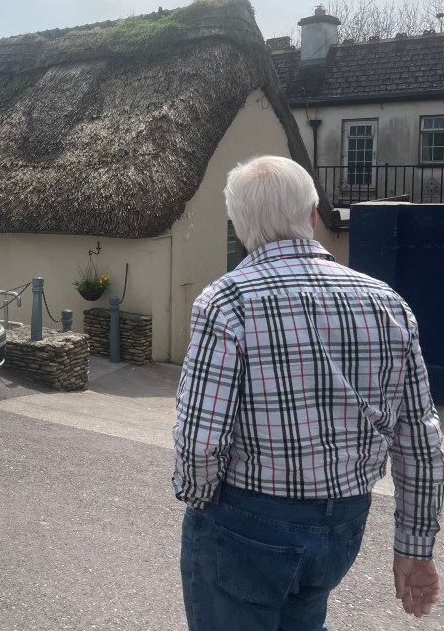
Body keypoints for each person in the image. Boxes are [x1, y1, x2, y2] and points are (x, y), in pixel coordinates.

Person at [173, 155, 444, 630]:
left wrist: (199, 501)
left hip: (247, 522)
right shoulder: (388, 303)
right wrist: (415, 549)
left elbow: (200, 443)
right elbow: (420, 440)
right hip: (343, 525)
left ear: (238, 225)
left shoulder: (227, 302)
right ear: (313, 214)